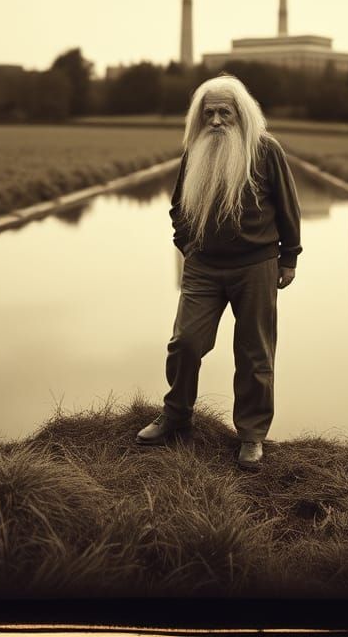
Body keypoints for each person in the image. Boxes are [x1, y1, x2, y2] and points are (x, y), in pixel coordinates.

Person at [136, 74, 302, 471]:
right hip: (203, 268)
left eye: (223, 112)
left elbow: (288, 206)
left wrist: (289, 257)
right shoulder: (194, 152)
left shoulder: (265, 150)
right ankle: (176, 416)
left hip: (256, 267)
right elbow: (178, 207)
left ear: (240, 114)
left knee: (254, 353)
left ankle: (251, 435)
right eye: (207, 113)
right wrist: (187, 246)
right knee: (185, 343)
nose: (214, 121)